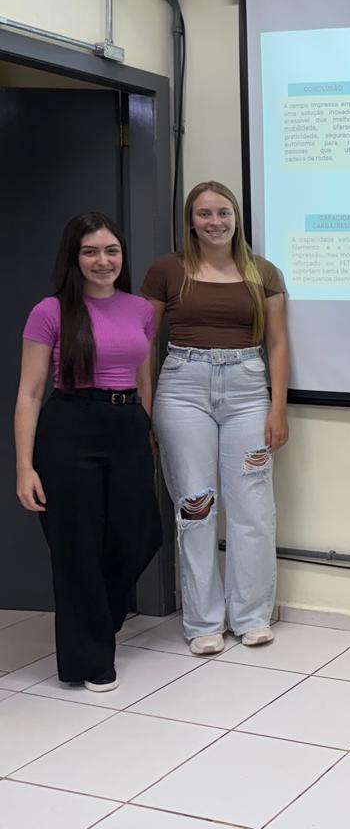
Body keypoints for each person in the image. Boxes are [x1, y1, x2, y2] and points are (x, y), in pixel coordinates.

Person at [14, 213, 161, 692]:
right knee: (76, 547)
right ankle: (90, 662)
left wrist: (147, 429)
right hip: (70, 426)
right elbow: (29, 393)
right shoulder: (50, 311)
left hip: (127, 425)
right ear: (74, 258)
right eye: (91, 252)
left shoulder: (140, 309)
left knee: (141, 535)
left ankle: (94, 623)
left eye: (111, 250)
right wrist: (24, 467)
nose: (103, 261)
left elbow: (143, 379)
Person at [143, 181, 290, 656]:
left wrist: (278, 406)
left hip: (248, 391)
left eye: (223, 212)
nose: (215, 222)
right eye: (204, 214)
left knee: (253, 509)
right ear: (190, 221)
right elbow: (143, 343)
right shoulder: (167, 271)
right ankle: (203, 621)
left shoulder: (263, 272)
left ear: (236, 217)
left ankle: (251, 617)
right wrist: (145, 410)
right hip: (183, 389)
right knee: (196, 505)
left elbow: (278, 343)